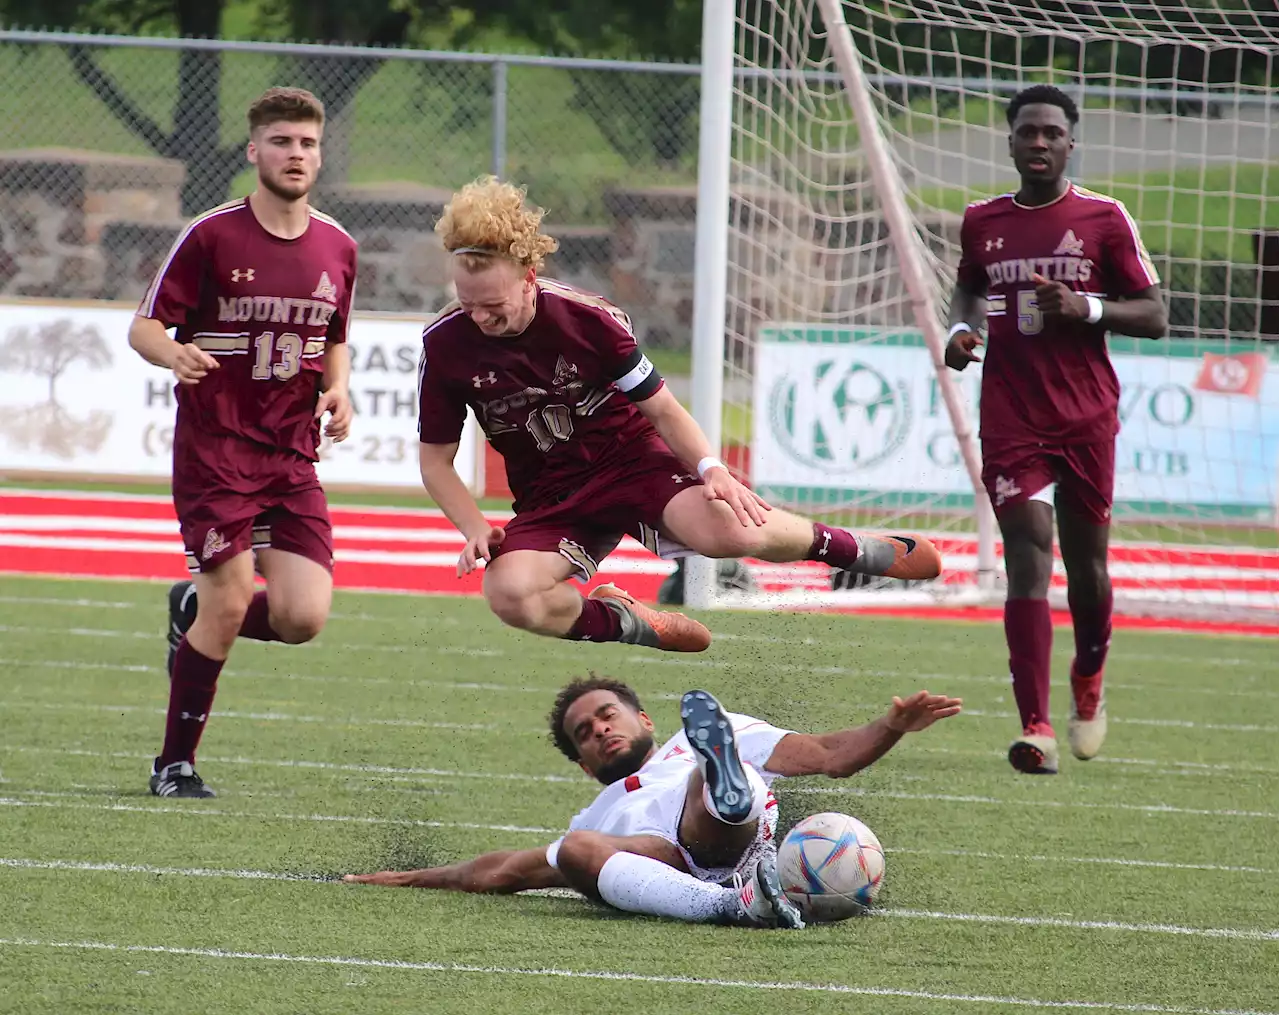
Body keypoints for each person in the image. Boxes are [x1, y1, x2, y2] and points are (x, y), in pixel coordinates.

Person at [417, 176, 944, 653]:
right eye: (468, 304)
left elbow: (664, 410)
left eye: (494, 304)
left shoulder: (590, 320)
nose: (480, 317)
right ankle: (624, 621)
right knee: (509, 595)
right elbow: (436, 461)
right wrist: (474, 528)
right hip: (553, 494)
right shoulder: (444, 345)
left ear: (529, 277)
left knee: (728, 531)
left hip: (632, 462)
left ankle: (856, 550)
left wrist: (713, 469)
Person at [127, 87, 359, 798]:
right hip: (216, 451)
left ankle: (190, 615)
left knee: (301, 616)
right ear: (254, 150)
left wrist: (338, 387)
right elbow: (143, 328)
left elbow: (336, 336)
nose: (297, 154)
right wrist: (173, 355)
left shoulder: (339, 245)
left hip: (291, 456)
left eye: (308, 143)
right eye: (283, 141)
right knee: (229, 600)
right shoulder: (211, 235)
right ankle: (175, 763)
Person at [344, 677, 962, 928]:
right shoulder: (596, 814)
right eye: (586, 734)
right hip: (662, 863)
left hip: (734, 837)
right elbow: (504, 870)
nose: (601, 730)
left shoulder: (688, 743)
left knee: (705, 769)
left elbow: (831, 755)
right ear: (586, 765)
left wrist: (891, 726)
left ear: (642, 718)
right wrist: (413, 877)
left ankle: (728, 799)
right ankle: (734, 908)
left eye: (608, 716)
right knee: (576, 849)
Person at [945, 85, 1167, 775]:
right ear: (1010, 140)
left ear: (1071, 142)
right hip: (1011, 416)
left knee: (1089, 569)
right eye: (1026, 132)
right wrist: (961, 329)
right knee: (1028, 549)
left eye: (1051, 133)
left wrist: (1087, 306)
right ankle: (1035, 726)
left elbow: (1155, 313)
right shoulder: (982, 221)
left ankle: (1089, 679)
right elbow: (970, 286)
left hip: (1085, 416)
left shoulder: (1103, 218)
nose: (1038, 142)